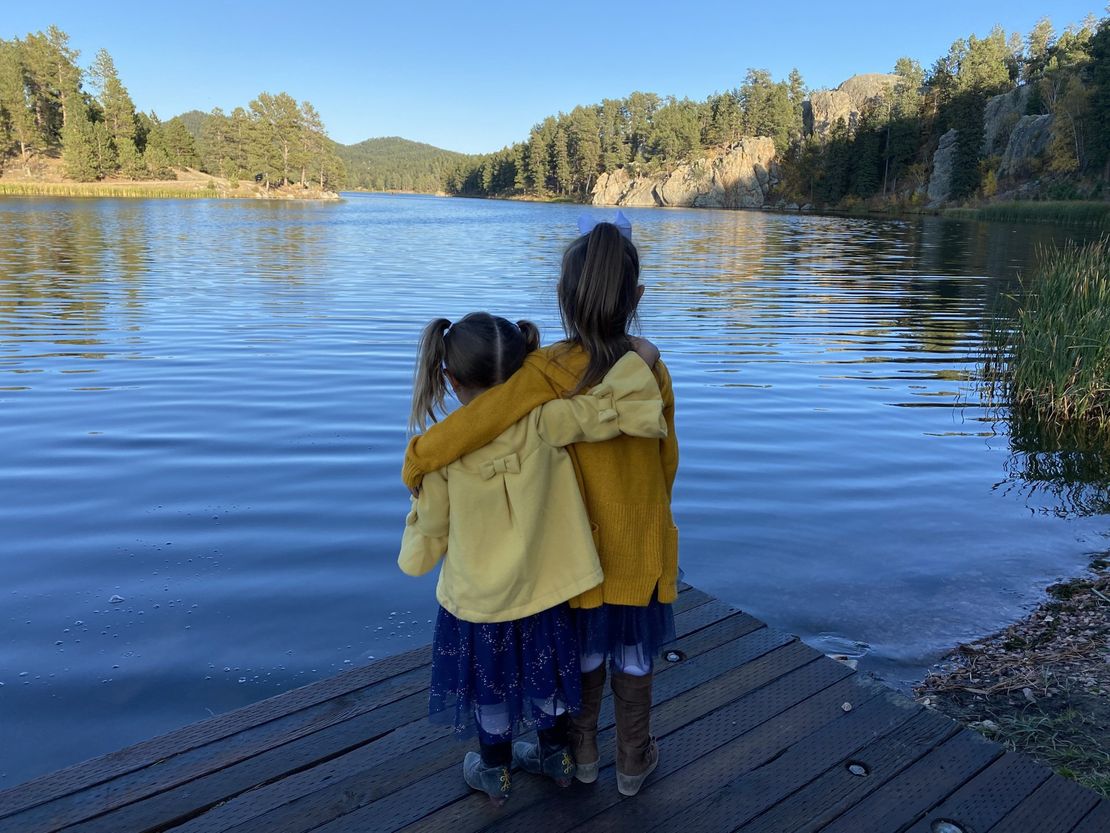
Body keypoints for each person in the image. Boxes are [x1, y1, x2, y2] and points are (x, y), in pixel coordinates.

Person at [401, 221, 679, 798]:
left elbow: (478, 422)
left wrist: (419, 461)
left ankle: (579, 758)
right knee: (633, 656)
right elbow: (666, 460)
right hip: (637, 540)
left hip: (572, 548)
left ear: (563, 298)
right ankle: (633, 762)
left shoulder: (545, 371)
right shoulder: (649, 371)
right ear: (638, 299)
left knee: (583, 656)